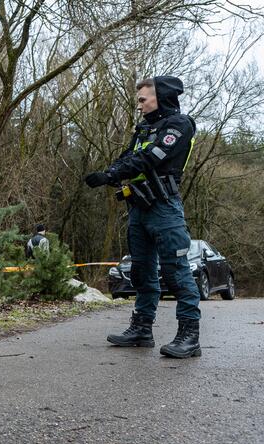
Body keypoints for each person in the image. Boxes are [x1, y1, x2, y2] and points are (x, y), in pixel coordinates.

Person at [84, 76, 201, 358]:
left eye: (143, 99)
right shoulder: (144, 128)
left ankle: (189, 336)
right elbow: (128, 156)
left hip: (164, 207)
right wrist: (110, 172)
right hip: (138, 206)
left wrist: (111, 174)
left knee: (176, 271)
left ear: (160, 97)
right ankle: (141, 329)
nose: (139, 105)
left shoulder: (180, 125)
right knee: (141, 271)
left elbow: (152, 157)